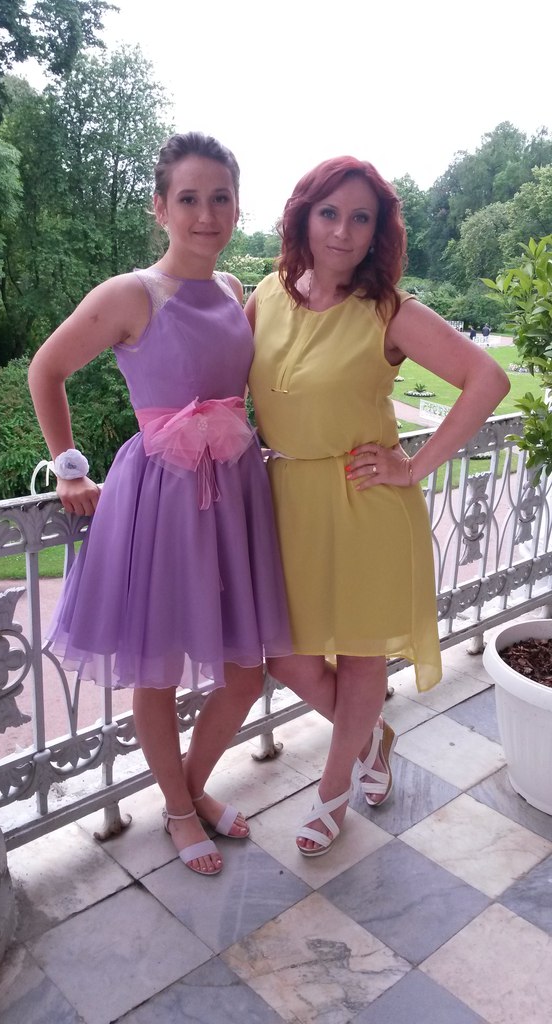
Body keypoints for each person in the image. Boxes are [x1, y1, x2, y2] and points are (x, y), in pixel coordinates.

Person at [28, 131, 292, 876]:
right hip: (160, 499)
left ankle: (191, 787)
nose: (206, 214)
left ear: (237, 207)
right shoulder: (131, 293)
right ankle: (178, 809)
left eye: (221, 198)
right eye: (189, 198)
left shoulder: (234, 290)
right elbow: (47, 370)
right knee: (158, 669)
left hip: (234, 496)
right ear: (160, 208)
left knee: (245, 670)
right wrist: (69, 469)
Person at [246, 156, 510, 857]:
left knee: (362, 659)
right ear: (303, 216)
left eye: (360, 218)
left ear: (377, 232)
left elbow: (487, 380)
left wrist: (414, 465)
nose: (342, 231)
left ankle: (332, 793)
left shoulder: (389, 311)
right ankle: (370, 737)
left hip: (365, 504)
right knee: (286, 656)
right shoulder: (265, 295)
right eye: (329, 213)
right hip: (287, 504)